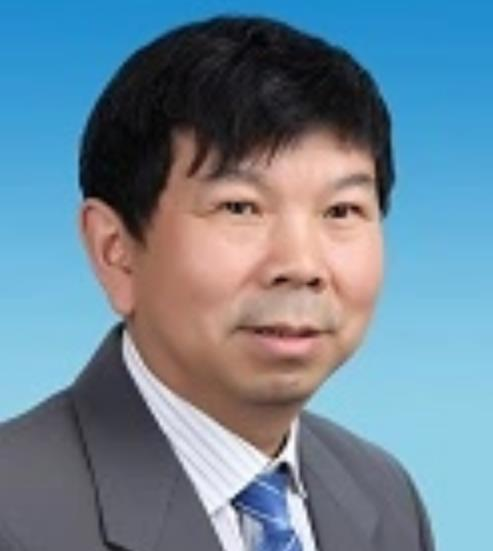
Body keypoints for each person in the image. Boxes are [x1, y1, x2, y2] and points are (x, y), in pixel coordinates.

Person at [0, 15, 435, 551]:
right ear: (115, 251)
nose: (301, 264)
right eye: (240, 207)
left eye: (341, 210)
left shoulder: (384, 495)